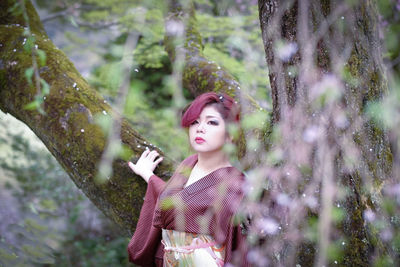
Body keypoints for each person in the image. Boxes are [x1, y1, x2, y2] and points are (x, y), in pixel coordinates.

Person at [127, 92, 249, 266]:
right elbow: (177, 202)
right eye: (195, 122)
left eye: (211, 122)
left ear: (230, 134)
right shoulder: (188, 164)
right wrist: (148, 175)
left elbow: (240, 243)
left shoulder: (236, 185)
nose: (200, 128)